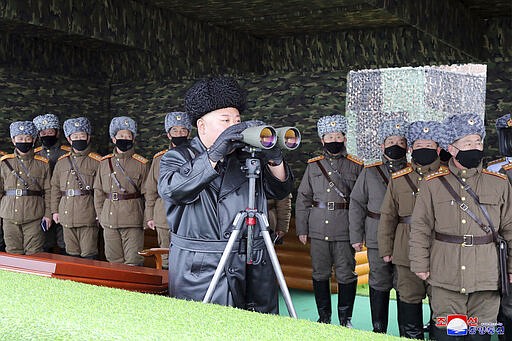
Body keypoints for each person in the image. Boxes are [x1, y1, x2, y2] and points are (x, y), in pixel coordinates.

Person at [158, 76, 293, 313]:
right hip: (204, 266)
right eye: (225, 120)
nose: (234, 126)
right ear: (201, 126)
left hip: (253, 261)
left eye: (238, 120)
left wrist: (274, 157)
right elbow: (171, 190)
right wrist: (214, 154)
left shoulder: (247, 157)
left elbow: (280, 190)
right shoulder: (178, 157)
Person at [410, 113, 512, 340]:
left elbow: (510, 228)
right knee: (451, 333)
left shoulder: (499, 183)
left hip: (487, 275)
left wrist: (511, 268)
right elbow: (420, 227)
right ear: (452, 149)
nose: (475, 148)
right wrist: (420, 263)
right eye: (467, 143)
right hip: (446, 274)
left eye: (478, 142)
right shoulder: (433, 184)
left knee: (480, 333)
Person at [295, 114, 364, 326]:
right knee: (320, 273)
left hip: (344, 229)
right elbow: (303, 197)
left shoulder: (356, 165)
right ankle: (323, 317)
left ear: (344, 137)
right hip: (317, 228)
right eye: (329, 136)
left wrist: (357, 234)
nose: (333, 140)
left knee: (346, 274)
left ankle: (346, 319)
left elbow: (361, 202)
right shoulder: (314, 166)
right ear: (322, 140)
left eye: (337, 136)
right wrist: (301, 229)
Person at [378, 120, 442, 339]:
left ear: (439, 149)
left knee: (442, 301)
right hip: (405, 251)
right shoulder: (398, 179)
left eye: (430, 145)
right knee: (408, 297)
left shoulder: (448, 177)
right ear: (411, 149)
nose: (424, 150)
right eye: (419, 145)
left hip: (440, 251)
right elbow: (388, 217)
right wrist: (386, 249)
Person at [349, 118, 409, 334]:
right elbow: (356, 203)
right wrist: (356, 236)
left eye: (401, 142)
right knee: (379, 281)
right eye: (391, 141)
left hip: (405, 236)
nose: (395, 145)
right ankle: (379, 329)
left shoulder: (412, 171)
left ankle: (406, 331)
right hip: (375, 234)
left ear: (407, 147)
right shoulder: (370, 171)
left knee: (406, 285)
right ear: (382, 146)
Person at [93, 116, 149, 266]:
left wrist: (146, 218)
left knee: (134, 261)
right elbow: (98, 192)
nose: (124, 139)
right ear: (113, 139)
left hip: (133, 220)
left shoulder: (141, 164)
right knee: (113, 260)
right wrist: (101, 215)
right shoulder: (105, 163)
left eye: (128, 136)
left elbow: (148, 195)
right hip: (109, 219)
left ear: (133, 139)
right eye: (121, 136)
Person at [144, 111, 192, 269]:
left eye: (183, 130)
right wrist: (150, 216)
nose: (179, 134)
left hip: (189, 215)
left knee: (187, 256)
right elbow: (151, 190)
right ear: (168, 134)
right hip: (163, 214)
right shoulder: (159, 159)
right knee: (165, 256)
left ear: (189, 133)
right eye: (175, 131)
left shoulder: (197, 156)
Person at [51, 117, 102, 259]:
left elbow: (102, 191)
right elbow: (55, 188)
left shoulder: (98, 161)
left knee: (89, 254)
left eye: (82, 136)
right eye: (75, 136)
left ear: (88, 137)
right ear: (69, 138)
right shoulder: (62, 162)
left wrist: (100, 212)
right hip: (66, 214)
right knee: (70, 253)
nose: (79, 139)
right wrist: (55, 211)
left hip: (88, 214)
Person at [0, 121, 51, 254]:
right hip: (9, 216)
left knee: (34, 253)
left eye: (28, 138)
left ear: (33, 140)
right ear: (13, 140)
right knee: (12, 252)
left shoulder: (43, 164)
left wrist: (48, 215)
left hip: (34, 216)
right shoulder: (4, 162)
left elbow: (49, 192)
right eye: (20, 138)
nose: (24, 141)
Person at [33, 113, 70, 254]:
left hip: (64, 199)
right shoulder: (35, 154)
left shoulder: (67, 152)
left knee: (65, 242)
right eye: (43, 133)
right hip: (42, 202)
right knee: (44, 241)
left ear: (57, 133)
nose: (46, 135)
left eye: (50, 132)